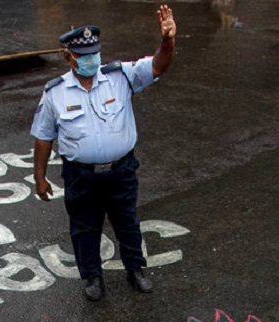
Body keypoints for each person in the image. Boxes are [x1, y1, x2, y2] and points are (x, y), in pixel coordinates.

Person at [31, 6, 177, 301]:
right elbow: (44, 136)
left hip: (120, 170)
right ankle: (92, 277)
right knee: (85, 228)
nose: (91, 60)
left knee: (127, 221)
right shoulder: (54, 93)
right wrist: (39, 175)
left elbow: (158, 67)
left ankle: (136, 269)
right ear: (68, 57)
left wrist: (167, 41)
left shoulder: (120, 76)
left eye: (94, 53)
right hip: (80, 175)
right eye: (84, 56)